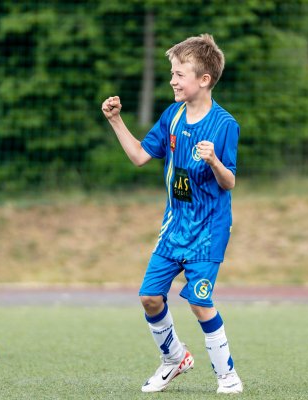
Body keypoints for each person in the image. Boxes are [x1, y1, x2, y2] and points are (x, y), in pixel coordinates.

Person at [101, 34, 242, 394]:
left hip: (209, 229)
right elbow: (139, 156)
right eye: (172, 73)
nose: (172, 81)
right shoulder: (172, 115)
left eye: (179, 74)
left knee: (198, 301)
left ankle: (227, 375)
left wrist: (214, 161)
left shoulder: (224, 124)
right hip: (175, 226)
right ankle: (174, 358)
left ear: (204, 80)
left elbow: (229, 182)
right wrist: (116, 121)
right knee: (149, 297)